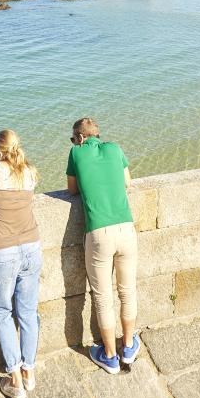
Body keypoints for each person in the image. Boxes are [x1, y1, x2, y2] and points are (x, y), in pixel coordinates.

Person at [66, 117, 139, 373]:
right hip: (126, 229)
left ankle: (109, 355)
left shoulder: (76, 153)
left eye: (74, 138)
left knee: (102, 296)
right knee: (127, 291)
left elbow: (72, 189)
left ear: (81, 137)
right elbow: (127, 182)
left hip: (98, 233)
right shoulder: (115, 149)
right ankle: (129, 346)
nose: (74, 142)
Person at [0, 128, 42, 398]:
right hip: (31, 247)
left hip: (3, 251)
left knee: (3, 312)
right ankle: (29, 372)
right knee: (28, 312)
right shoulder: (29, 172)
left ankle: (14, 378)